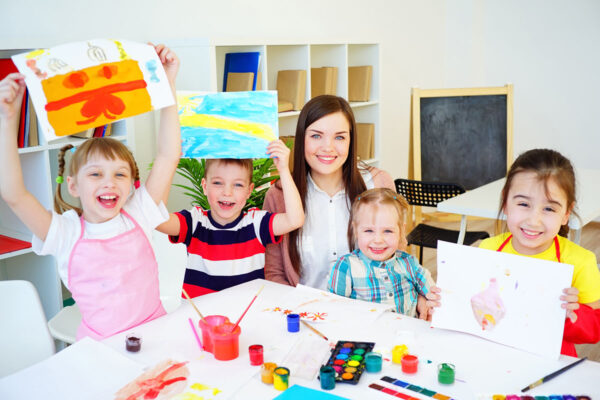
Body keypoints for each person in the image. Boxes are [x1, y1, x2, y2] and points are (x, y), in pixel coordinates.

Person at [0, 44, 181, 341]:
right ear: (73, 185)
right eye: (95, 174)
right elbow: (14, 194)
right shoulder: (63, 233)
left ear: (133, 183)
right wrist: (8, 121)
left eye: (120, 174)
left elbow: (168, 155)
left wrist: (168, 84)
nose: (109, 182)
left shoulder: (139, 212)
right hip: (102, 348)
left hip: (156, 337)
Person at [426, 149, 600, 356]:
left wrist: (574, 314)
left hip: (549, 369)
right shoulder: (489, 250)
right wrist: (446, 301)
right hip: (492, 357)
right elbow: (475, 308)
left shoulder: (580, 262)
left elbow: (594, 331)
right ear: (506, 203)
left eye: (549, 209)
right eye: (524, 204)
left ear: (566, 213)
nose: (533, 220)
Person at [263, 95, 398, 290]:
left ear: (351, 141)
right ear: (301, 139)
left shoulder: (378, 184)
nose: (328, 147)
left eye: (340, 137)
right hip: (305, 313)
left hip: (367, 311)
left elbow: (398, 255)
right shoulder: (278, 196)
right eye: (316, 135)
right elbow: (274, 273)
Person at [157, 140, 304, 297]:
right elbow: (157, 218)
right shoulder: (195, 221)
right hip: (201, 318)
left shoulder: (256, 223)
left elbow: (295, 219)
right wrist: (169, 163)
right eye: (218, 183)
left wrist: (283, 169)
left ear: (249, 191)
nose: (227, 192)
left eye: (238, 185)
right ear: (205, 186)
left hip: (247, 316)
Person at [327, 188, 434, 316]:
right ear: (355, 230)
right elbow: (334, 311)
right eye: (369, 231)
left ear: (401, 231)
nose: (378, 240)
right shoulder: (346, 267)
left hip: (408, 334)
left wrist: (430, 301)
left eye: (388, 231)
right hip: (363, 335)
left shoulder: (410, 263)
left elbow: (435, 295)